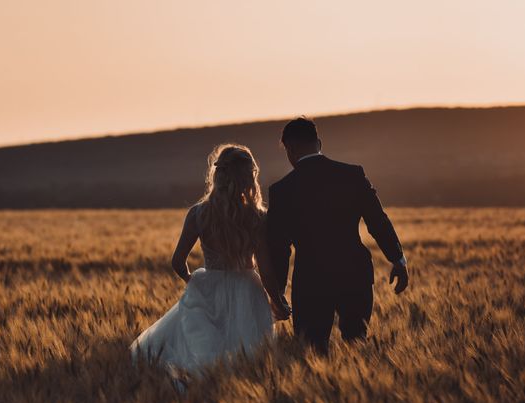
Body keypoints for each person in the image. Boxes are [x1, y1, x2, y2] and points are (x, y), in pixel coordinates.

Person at [130, 144, 290, 372]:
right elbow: (265, 269)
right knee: (246, 358)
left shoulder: (198, 214)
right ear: (248, 177)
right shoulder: (257, 217)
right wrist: (277, 300)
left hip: (208, 288)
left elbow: (177, 261)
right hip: (247, 289)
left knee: (204, 352)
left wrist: (193, 281)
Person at [268, 117, 408, 354]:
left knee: (311, 350)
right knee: (357, 344)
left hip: (310, 281)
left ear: (289, 149)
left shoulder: (281, 190)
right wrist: (397, 259)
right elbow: (378, 221)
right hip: (355, 274)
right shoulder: (352, 175)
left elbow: (279, 248)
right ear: (319, 143)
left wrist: (278, 293)